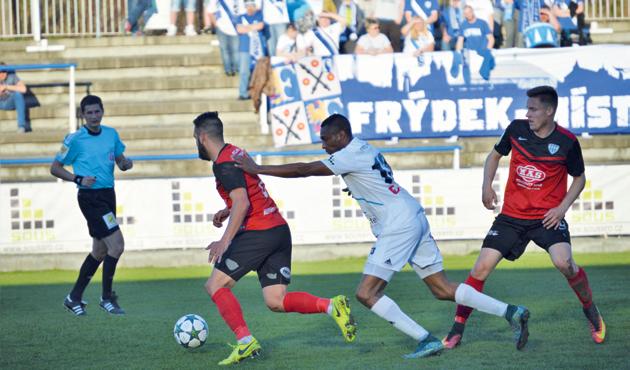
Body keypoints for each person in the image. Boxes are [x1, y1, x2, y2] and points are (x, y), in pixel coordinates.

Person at [235, 113, 530, 359]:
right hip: (412, 213)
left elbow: (303, 169)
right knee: (441, 288)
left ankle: (425, 339)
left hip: (398, 224)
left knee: (366, 293)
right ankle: (511, 311)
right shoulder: (365, 148)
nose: (323, 146)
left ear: (340, 136)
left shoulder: (347, 154)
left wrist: (257, 168)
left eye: (325, 139)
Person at [442, 86, 606, 349]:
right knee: (480, 269)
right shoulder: (516, 129)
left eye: (533, 109)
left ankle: (591, 311)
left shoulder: (567, 141)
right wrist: (486, 185)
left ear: (549, 110)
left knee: (565, 263)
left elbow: (580, 178)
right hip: (512, 216)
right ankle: (457, 329)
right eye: (527, 109)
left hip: (547, 218)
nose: (527, 114)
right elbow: (494, 155)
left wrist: (562, 208)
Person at [192, 111, 357, 365]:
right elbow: (247, 194)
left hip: (259, 231)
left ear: (202, 137)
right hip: (278, 229)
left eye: (195, 138)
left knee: (215, 285)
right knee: (275, 300)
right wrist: (227, 211)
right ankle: (331, 306)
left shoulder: (223, 163)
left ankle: (246, 342)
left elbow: (242, 201)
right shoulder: (235, 152)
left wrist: (224, 240)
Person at [50, 95, 133, 316]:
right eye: (89, 113)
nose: (94, 116)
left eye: (97, 112)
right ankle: (107, 298)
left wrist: (125, 163)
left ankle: (73, 297)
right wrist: (78, 179)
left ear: (102, 111)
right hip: (90, 198)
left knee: (99, 251)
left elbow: (120, 159)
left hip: (108, 195)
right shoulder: (75, 139)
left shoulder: (111, 134)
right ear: (83, 115)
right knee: (117, 245)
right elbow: (55, 167)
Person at [236, 0, 267, 100]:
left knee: (258, 72)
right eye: (248, 6)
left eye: (252, 6)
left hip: (258, 49)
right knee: (244, 71)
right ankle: (243, 93)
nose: (250, 8)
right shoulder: (241, 17)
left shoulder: (259, 15)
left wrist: (247, 27)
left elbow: (260, 26)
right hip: (244, 48)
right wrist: (253, 27)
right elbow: (239, 29)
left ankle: (258, 92)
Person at [207, 0, 241, 76]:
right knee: (224, 49)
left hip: (234, 28)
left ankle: (236, 68)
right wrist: (216, 24)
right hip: (221, 27)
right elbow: (210, 11)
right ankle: (228, 69)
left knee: (235, 49)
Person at [0, 62, 30, 133]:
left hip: (9, 102)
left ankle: (21, 126)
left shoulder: (12, 76)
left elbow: (24, 89)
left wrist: (6, 87)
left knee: (18, 95)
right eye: (0, 71)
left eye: (4, 71)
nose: (3, 74)